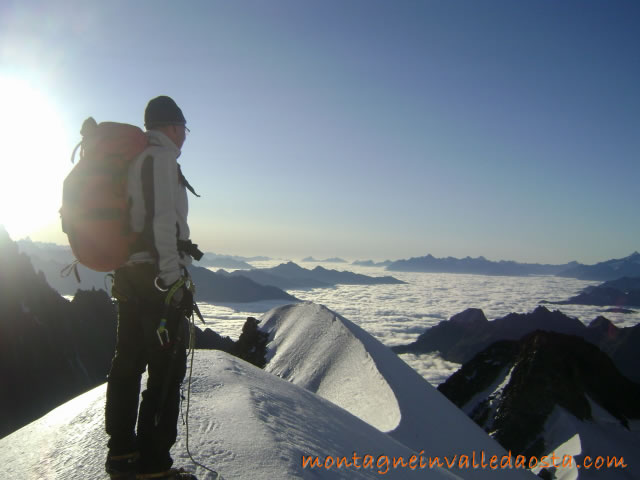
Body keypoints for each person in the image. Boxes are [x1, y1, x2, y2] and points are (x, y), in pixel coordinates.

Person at [105, 96, 200, 480]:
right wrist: (173, 279)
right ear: (174, 127)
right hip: (155, 281)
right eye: (184, 129)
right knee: (165, 371)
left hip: (128, 275)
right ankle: (153, 464)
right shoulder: (161, 160)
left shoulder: (135, 159)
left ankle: (122, 454)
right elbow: (163, 223)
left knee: (126, 365)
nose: (185, 137)